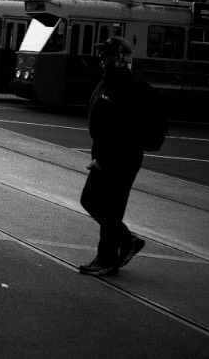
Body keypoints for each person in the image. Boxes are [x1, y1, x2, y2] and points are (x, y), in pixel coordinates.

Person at [79, 36, 154, 276]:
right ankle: (123, 244)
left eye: (107, 54)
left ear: (120, 57)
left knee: (108, 208)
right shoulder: (109, 81)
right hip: (104, 154)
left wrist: (105, 159)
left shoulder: (130, 87)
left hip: (121, 158)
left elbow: (128, 130)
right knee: (93, 201)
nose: (102, 58)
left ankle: (108, 257)